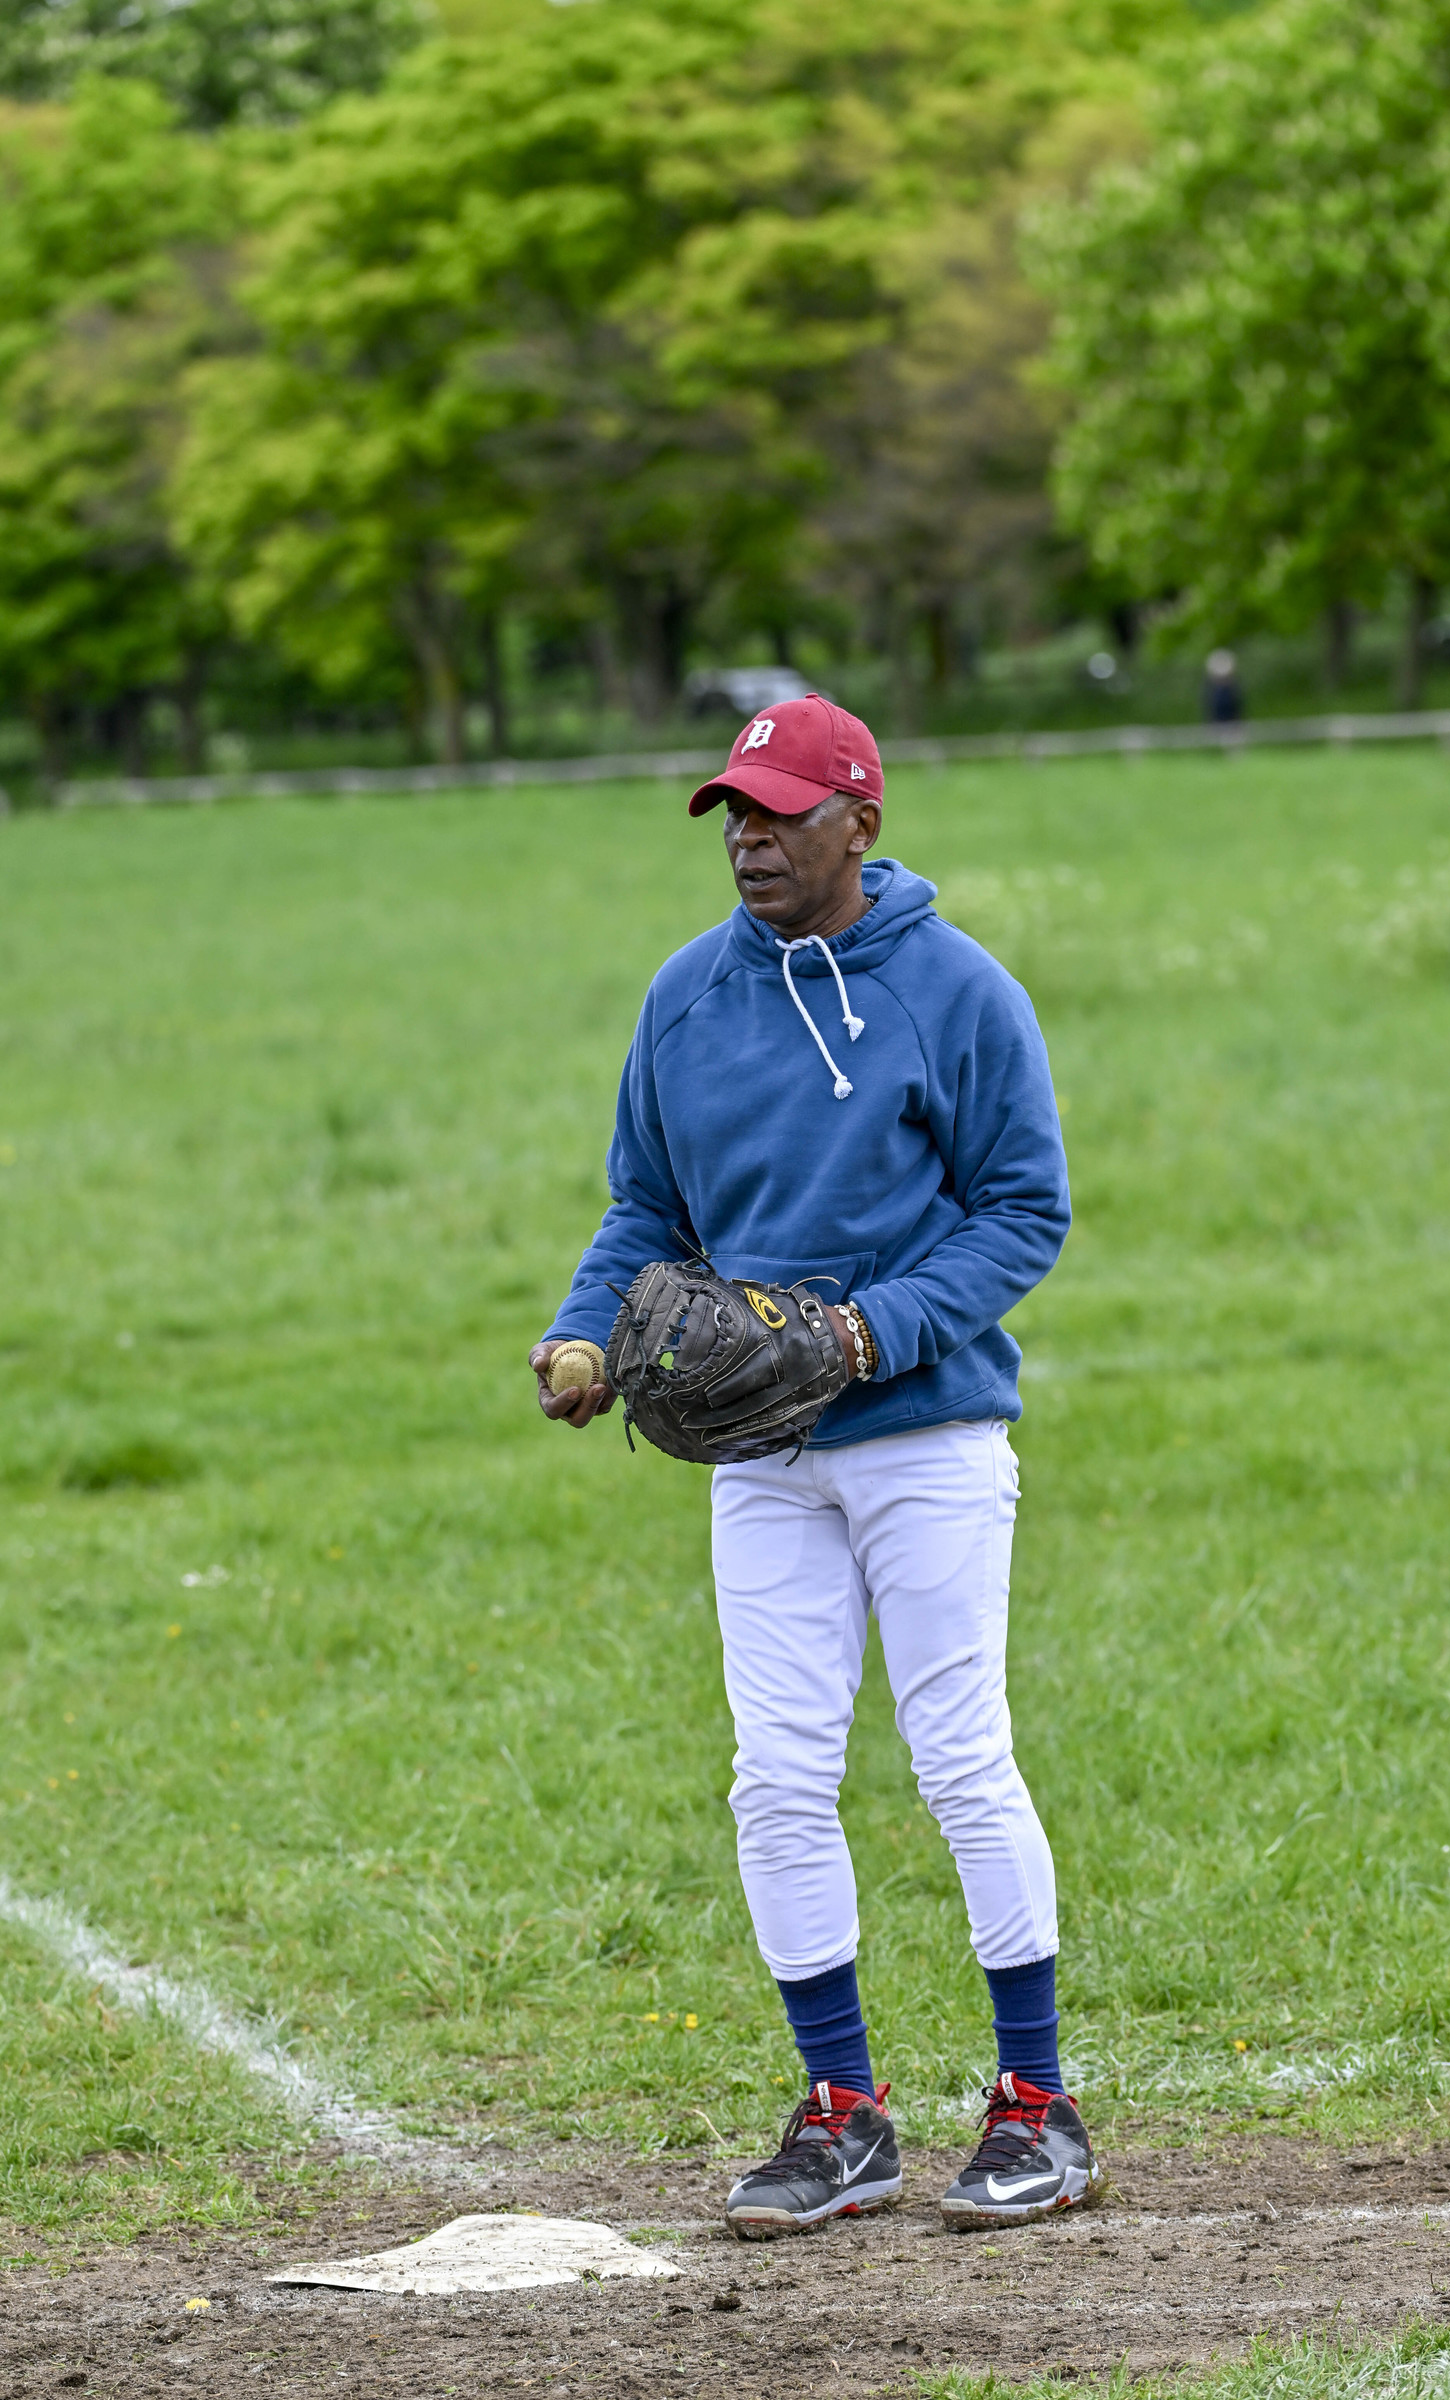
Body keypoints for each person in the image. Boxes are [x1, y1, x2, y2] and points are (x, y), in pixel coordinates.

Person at [529, 694, 1098, 2237]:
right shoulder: (687, 1001)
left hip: (925, 1433)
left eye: (781, 812)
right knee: (775, 1777)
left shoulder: (959, 992)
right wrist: (586, 1337)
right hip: (760, 1451)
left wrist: (868, 1336)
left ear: (863, 819)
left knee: (957, 1756)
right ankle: (844, 2112)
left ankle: (1038, 2106)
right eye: (734, 812)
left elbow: (1022, 1213)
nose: (751, 840)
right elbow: (647, 1209)